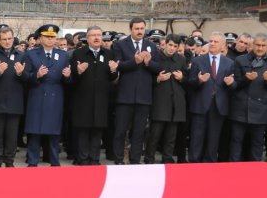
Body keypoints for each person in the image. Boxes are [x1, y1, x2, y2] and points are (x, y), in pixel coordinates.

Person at [112, 17, 160, 164]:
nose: (139, 31)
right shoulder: (120, 45)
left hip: (144, 97)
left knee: (139, 133)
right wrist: (135, 61)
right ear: (131, 29)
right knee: (120, 131)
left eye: (142, 28)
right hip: (125, 96)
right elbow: (119, 65)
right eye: (136, 29)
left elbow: (158, 68)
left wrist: (148, 63)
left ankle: (135, 160)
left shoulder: (151, 45)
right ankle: (119, 159)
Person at [69, 26, 119, 166]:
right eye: (93, 35)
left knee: (97, 131)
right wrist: (78, 71)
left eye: (99, 35)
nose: (97, 38)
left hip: (101, 100)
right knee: (83, 131)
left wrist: (114, 71)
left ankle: (94, 159)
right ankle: (83, 159)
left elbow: (112, 77)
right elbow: (71, 78)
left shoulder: (109, 54)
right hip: (83, 100)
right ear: (87, 38)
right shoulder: (78, 54)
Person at [24, 24, 72, 166]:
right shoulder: (31, 54)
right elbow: (25, 76)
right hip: (37, 96)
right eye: (47, 37)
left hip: (55, 97)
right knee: (34, 132)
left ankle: (54, 162)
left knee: (54, 133)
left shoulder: (63, 55)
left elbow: (68, 80)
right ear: (40, 38)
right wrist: (36, 75)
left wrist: (68, 76)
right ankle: (32, 162)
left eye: (53, 37)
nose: (50, 40)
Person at [229, 33, 267, 162]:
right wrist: (246, 79)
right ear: (252, 45)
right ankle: (233, 168)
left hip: (261, 109)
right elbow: (235, 84)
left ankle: (255, 169)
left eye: (263, 45)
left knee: (257, 143)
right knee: (236, 140)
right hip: (240, 107)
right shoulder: (241, 60)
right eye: (257, 45)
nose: (260, 48)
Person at [187, 33, 237, 163]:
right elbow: (190, 83)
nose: (212, 43)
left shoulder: (229, 63)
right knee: (197, 138)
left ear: (222, 45)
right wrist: (199, 80)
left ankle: (210, 164)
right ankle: (194, 163)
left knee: (213, 139)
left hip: (218, 106)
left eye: (216, 41)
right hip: (200, 105)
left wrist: (231, 83)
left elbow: (234, 86)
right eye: (211, 41)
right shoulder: (197, 60)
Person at [0, 26, 27, 167]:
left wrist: (21, 74)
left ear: (13, 39)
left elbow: (29, 79)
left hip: (15, 101)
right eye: (4, 39)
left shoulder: (22, 55)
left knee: (12, 136)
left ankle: (9, 161)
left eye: (9, 39)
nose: (7, 42)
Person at [144, 34, 188, 164]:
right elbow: (146, 79)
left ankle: (167, 158)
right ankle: (149, 158)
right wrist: (158, 79)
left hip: (176, 102)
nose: (172, 48)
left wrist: (182, 78)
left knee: (171, 135)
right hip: (160, 101)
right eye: (170, 45)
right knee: (155, 134)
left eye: (175, 46)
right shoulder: (155, 57)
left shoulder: (181, 60)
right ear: (165, 44)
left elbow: (187, 78)